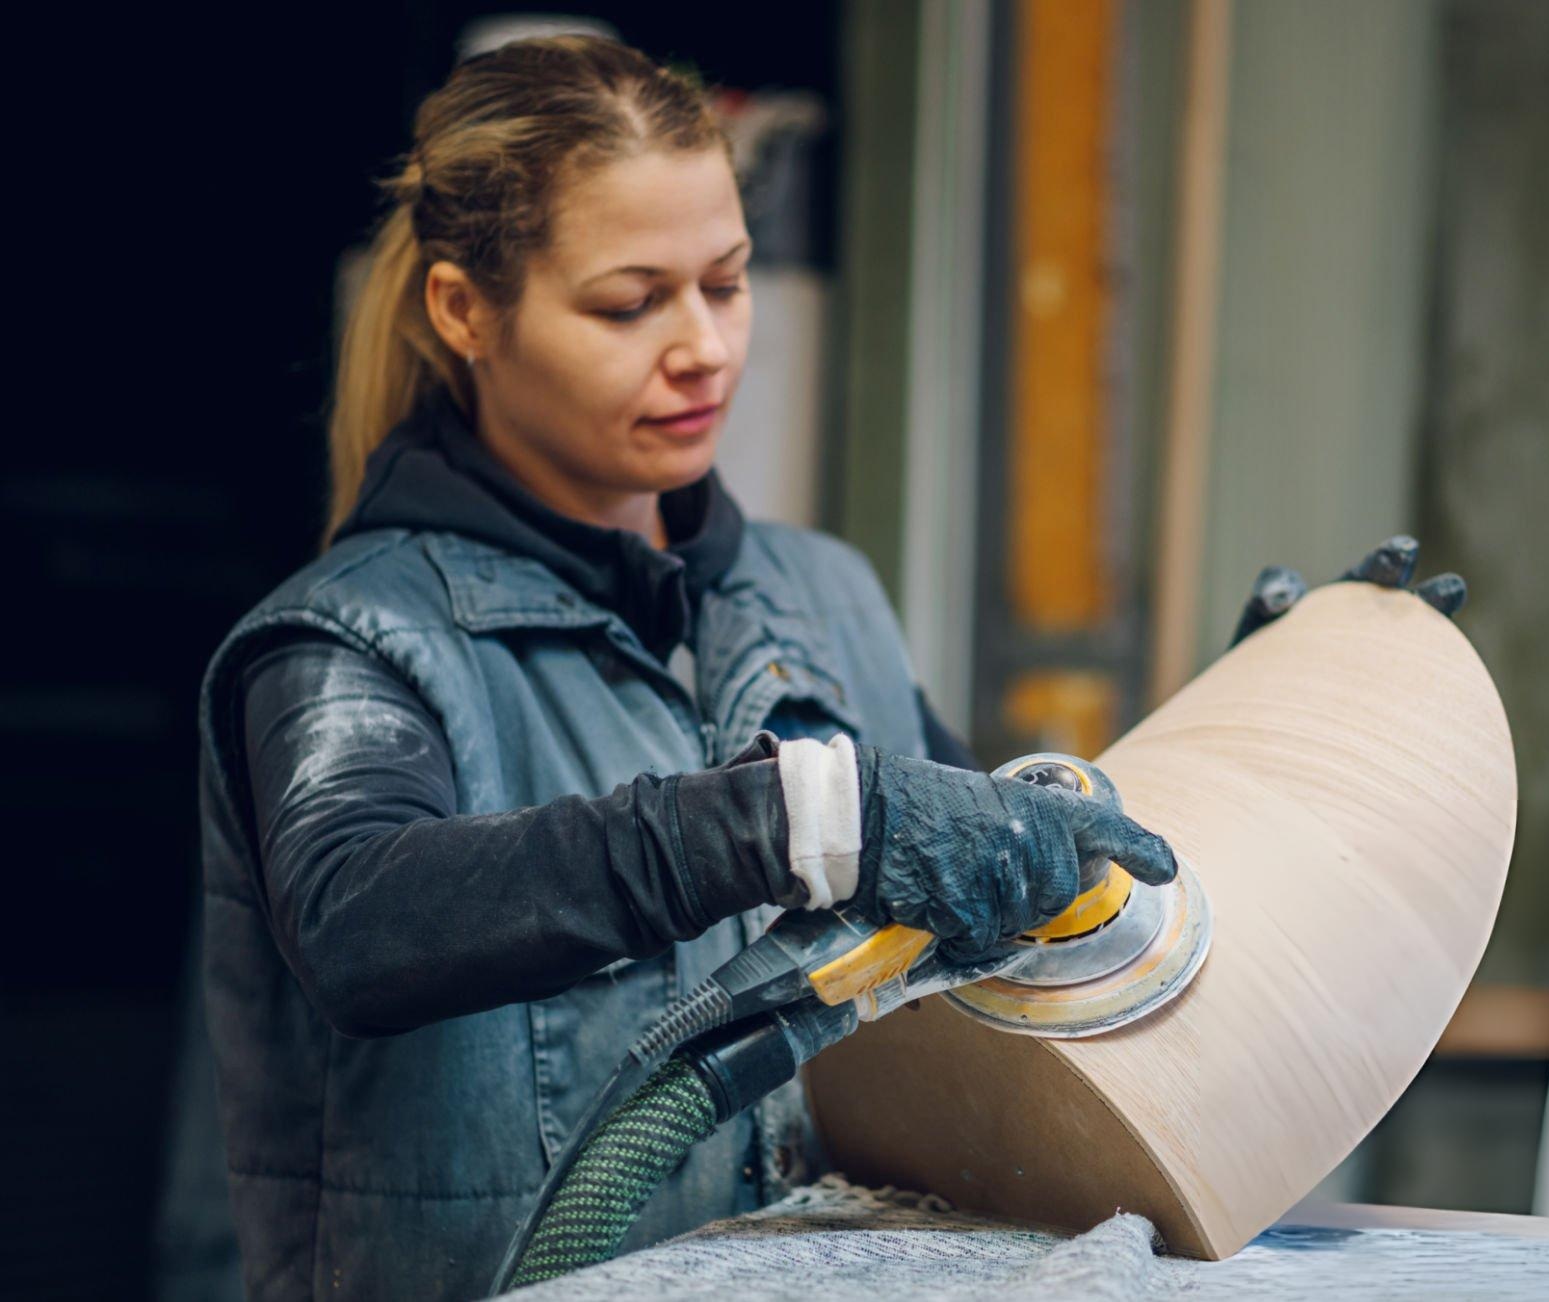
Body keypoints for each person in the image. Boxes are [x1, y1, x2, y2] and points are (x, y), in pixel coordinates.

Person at [193, 35, 1465, 1301]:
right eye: (630, 302)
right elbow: (361, 921)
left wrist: (1251, 742)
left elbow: (995, 935)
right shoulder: (353, 645)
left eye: (727, 283)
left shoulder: (819, 594)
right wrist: (787, 822)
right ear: (464, 309)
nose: (701, 347)